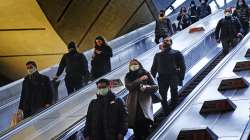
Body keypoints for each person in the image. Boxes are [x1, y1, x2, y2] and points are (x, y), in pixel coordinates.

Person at [151, 37, 186, 114]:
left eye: (167, 40)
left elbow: (182, 66)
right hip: (162, 77)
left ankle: (174, 108)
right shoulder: (158, 55)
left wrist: (181, 77)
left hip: (173, 76)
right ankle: (166, 111)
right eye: (164, 41)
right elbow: (154, 68)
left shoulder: (177, 53)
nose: (165, 42)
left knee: (174, 92)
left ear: (171, 43)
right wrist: (151, 80)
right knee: (162, 95)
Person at [125, 59, 157, 140]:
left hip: (144, 103)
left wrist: (146, 87)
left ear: (139, 64)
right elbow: (129, 86)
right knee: (137, 130)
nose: (133, 66)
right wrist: (140, 80)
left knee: (146, 128)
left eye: (135, 64)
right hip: (133, 104)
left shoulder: (146, 73)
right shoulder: (128, 76)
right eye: (131, 65)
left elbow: (155, 86)